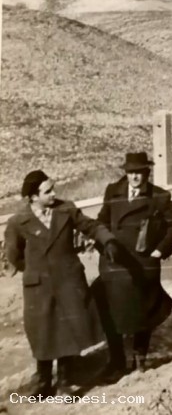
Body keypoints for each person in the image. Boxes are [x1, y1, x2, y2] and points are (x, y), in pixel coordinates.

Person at [3, 170, 118, 396]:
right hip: (39, 286)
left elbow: (90, 226)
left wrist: (108, 240)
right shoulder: (17, 222)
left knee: (67, 328)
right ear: (33, 197)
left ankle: (66, 379)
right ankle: (43, 381)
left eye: (53, 189)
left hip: (68, 280)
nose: (53, 194)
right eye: (47, 191)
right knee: (43, 331)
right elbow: (13, 255)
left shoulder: (66, 209)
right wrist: (35, 269)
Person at [91, 152, 172, 380]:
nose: (134, 177)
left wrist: (159, 251)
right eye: (130, 172)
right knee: (110, 310)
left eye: (139, 172)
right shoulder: (113, 191)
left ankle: (139, 361)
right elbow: (102, 221)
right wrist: (104, 245)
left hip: (143, 264)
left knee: (142, 312)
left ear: (147, 173)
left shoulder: (159, 196)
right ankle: (116, 361)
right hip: (114, 262)